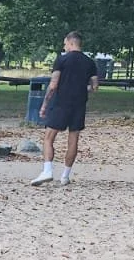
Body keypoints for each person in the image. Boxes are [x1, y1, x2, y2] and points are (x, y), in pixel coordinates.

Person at [32, 32, 100, 188]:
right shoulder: (90, 63)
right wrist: (82, 88)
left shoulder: (62, 60)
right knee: (73, 139)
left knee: (49, 137)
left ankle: (47, 170)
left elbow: (53, 85)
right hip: (79, 104)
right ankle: (65, 176)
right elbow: (95, 87)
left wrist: (44, 105)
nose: (64, 46)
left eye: (65, 44)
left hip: (61, 103)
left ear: (70, 42)